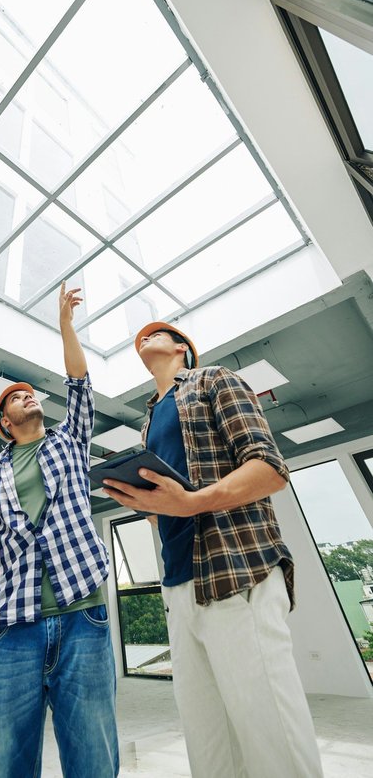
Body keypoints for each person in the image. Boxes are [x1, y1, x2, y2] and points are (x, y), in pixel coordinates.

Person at [102, 321, 323, 778]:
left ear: (183, 349)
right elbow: (169, 509)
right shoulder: (149, 419)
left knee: (271, 734)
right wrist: (148, 504)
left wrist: (192, 502)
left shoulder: (213, 380)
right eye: (139, 335)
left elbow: (269, 467)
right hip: (179, 588)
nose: (145, 335)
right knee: (209, 745)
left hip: (235, 571)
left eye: (159, 332)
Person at [0, 282, 119, 778]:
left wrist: (66, 326)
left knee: (93, 757)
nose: (27, 396)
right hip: (11, 626)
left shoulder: (69, 441)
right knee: (5, 759)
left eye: (29, 393)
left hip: (81, 617)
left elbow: (80, 385)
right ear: (5, 422)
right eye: (15, 398)